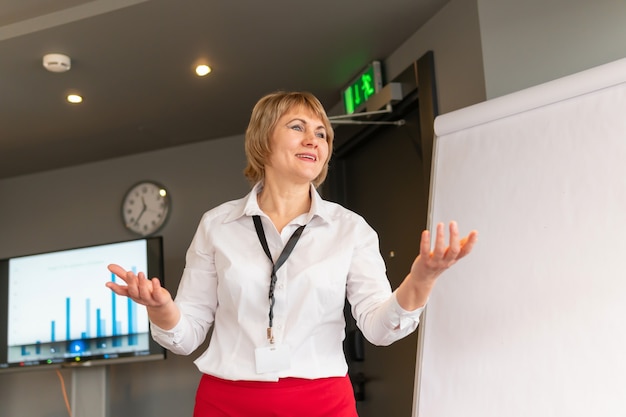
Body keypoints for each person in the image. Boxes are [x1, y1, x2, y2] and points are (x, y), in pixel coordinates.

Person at [106, 91, 478, 416]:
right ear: (263, 140)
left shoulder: (350, 229)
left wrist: (421, 280)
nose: (313, 140)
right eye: (298, 127)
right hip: (227, 403)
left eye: (322, 134)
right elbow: (186, 337)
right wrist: (162, 309)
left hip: (321, 403)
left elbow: (380, 329)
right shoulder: (217, 225)